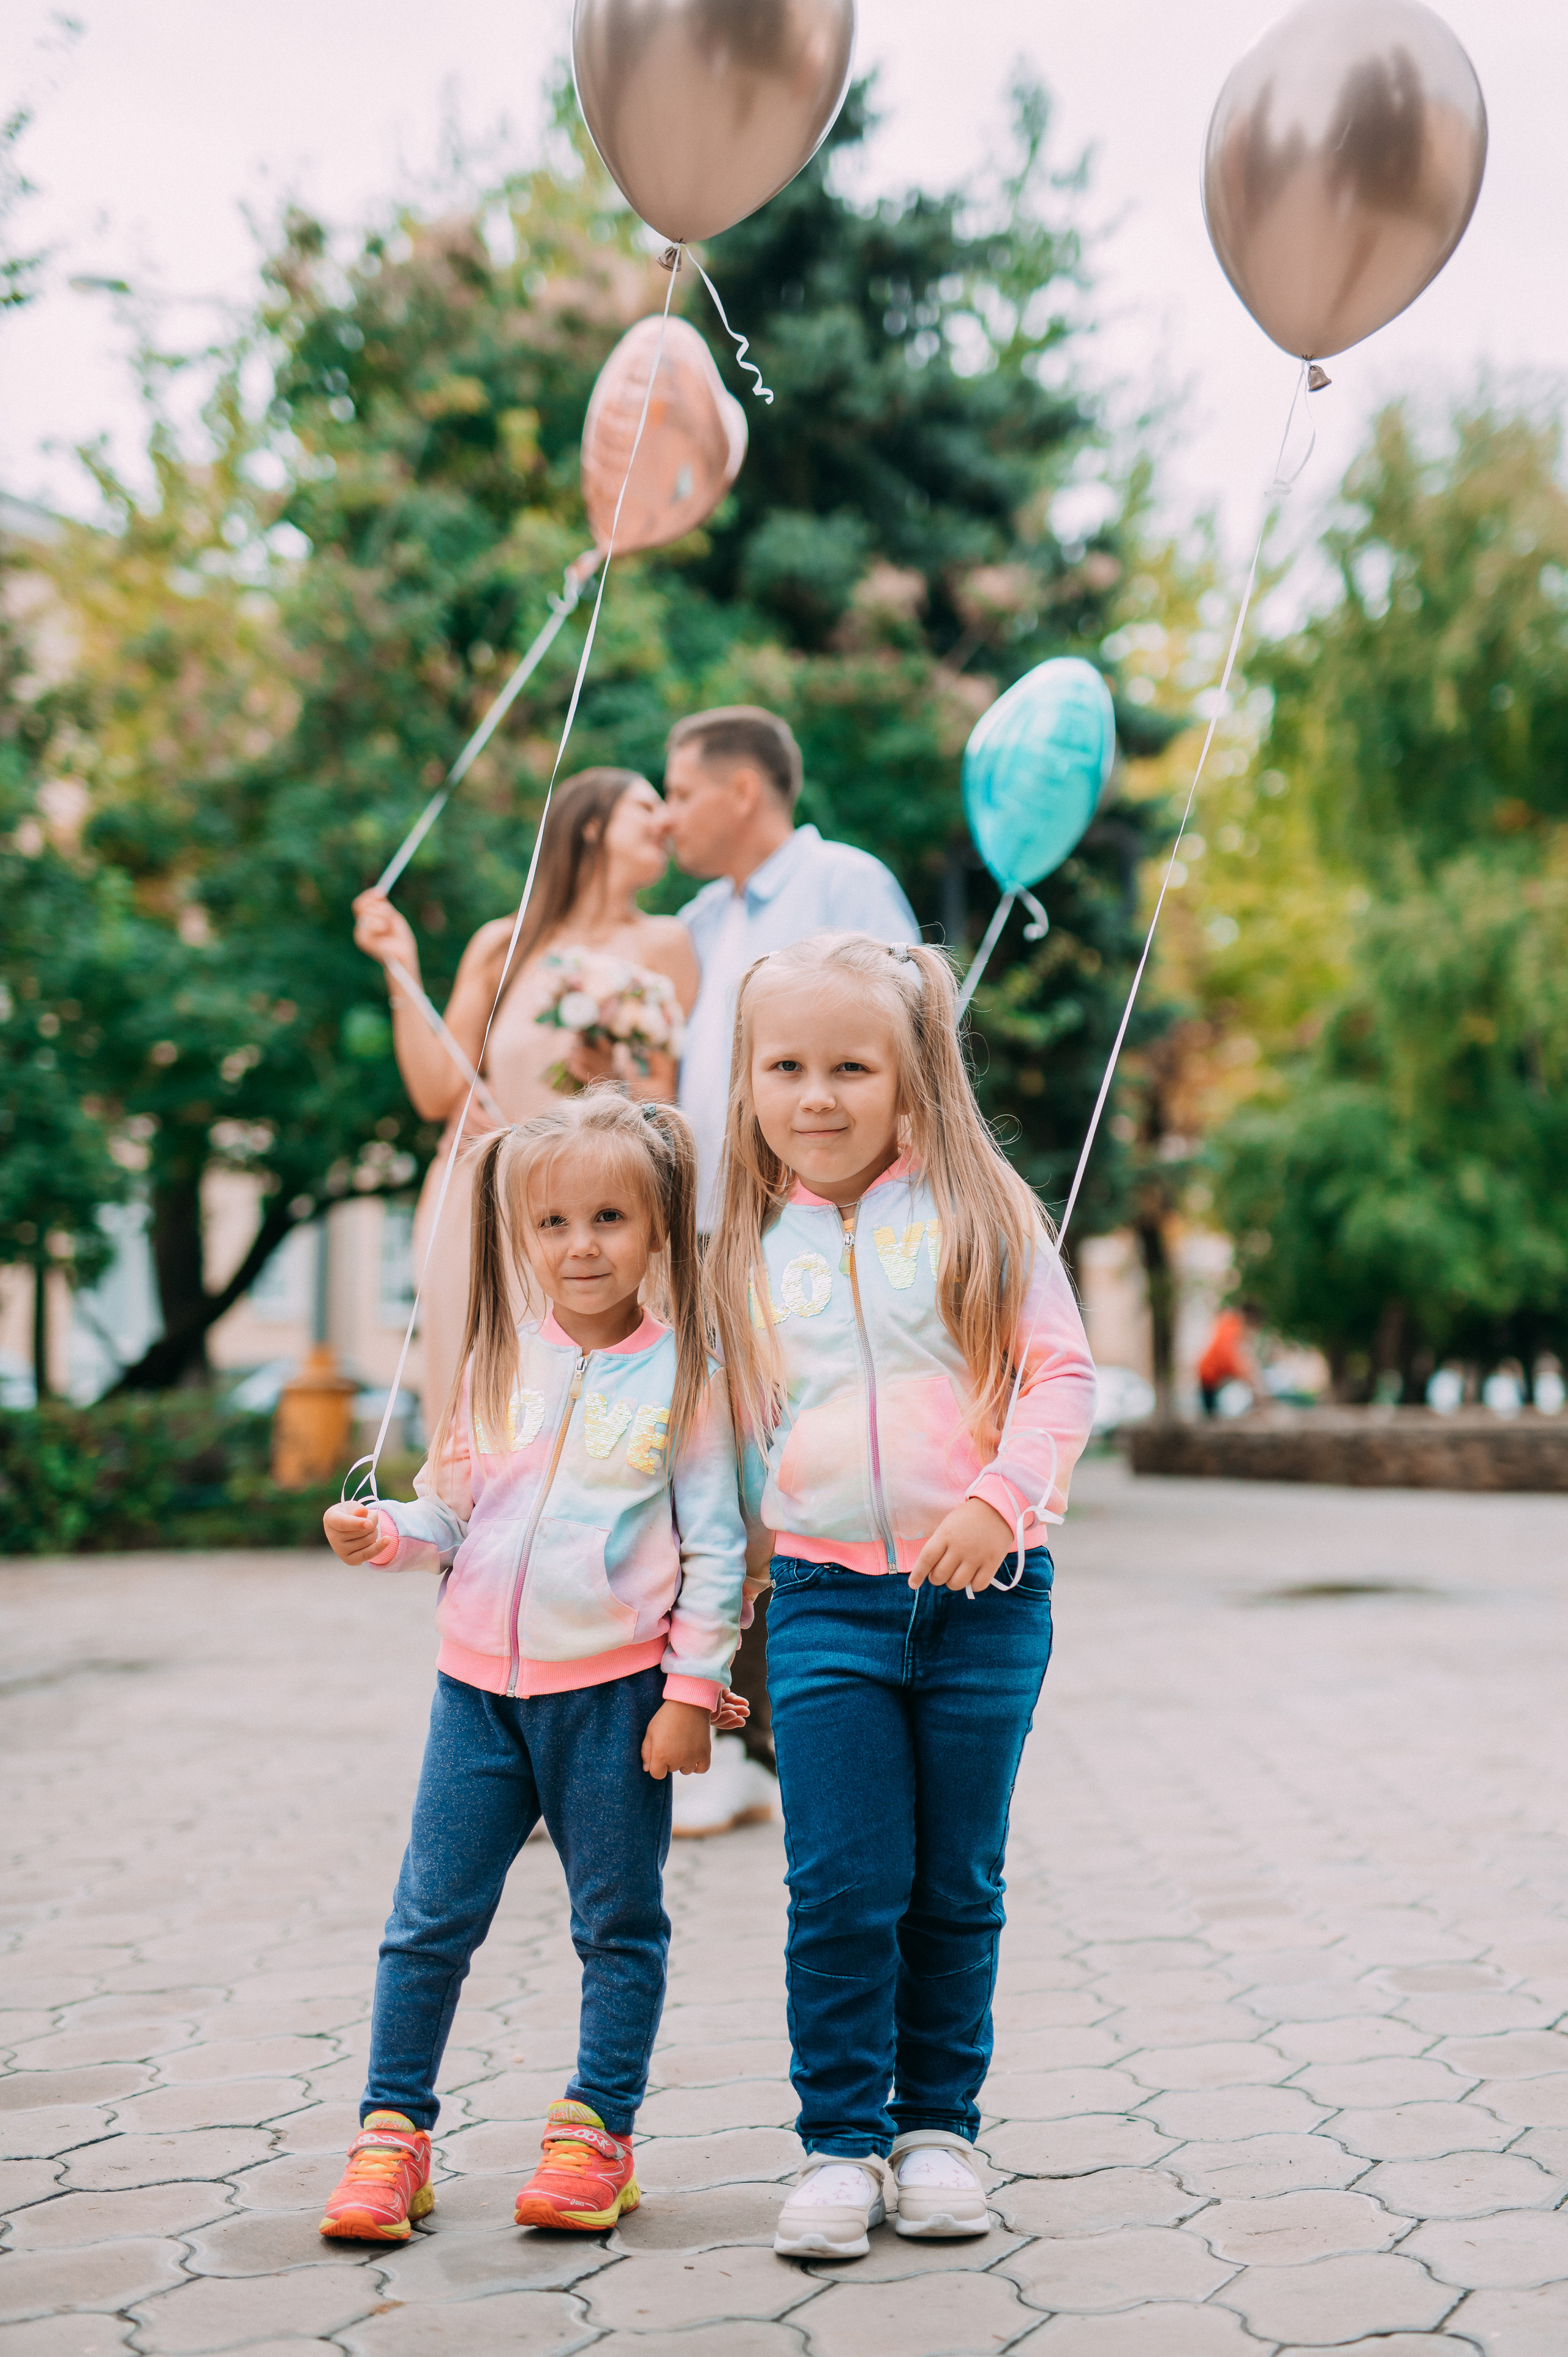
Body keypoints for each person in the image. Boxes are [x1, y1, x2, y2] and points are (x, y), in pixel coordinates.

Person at [706, 932, 1097, 2260]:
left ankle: (936, 2130)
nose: (816, 1095)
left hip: (988, 1600)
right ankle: (835, 2143)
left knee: (952, 1880)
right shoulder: (742, 1247)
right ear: (748, 1081)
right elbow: (713, 1454)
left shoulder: (983, 1210)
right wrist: (695, 1646)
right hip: (821, 1603)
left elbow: (1060, 1377)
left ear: (911, 1076)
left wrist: (1001, 1498)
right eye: (786, 1066)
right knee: (839, 1882)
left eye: (850, 1066)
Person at [316, 1091, 746, 2243]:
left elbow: (716, 1546)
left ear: (658, 1229)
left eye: (610, 1217)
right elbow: (454, 1512)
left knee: (618, 1922)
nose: (582, 1244)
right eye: (554, 1223)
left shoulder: (687, 1377)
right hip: (475, 1697)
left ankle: (597, 2129)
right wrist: (389, 1534)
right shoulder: (498, 1361)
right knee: (428, 1919)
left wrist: (692, 1696)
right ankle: (390, 2134)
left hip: (613, 1702)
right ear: (523, 1234)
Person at [662, 705, 918, 1836]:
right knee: (714, 1466)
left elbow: (912, 1032)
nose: (668, 815)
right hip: (707, 1224)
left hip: (811, 1219)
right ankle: (717, 1719)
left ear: (743, 792)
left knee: (801, 1454)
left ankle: (780, 1733)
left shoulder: (844, 883)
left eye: (681, 791)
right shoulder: (694, 922)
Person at [352, 768, 699, 1440]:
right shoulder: (502, 942)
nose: (665, 822)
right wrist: (401, 966)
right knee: (475, 1392)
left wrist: (612, 1087)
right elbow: (433, 1090)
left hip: (591, 1213)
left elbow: (665, 1106)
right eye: (646, 807)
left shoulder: (665, 944)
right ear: (593, 825)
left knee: (582, 1397)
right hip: (477, 1200)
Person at [1197, 1299, 1264, 1415]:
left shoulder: (1231, 1324)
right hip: (1209, 1375)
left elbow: (1240, 1358)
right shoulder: (1232, 1325)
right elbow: (1228, 1356)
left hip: (1213, 1375)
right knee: (1211, 1415)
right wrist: (1245, 1377)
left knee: (1214, 1413)